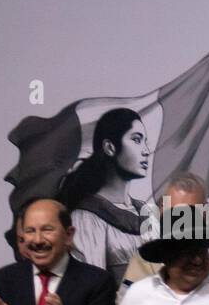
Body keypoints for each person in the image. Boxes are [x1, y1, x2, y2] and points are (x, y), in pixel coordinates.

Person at [118, 172, 209, 300]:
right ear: (161, 210)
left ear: (205, 213)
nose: (181, 220)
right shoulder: (141, 261)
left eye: (190, 211)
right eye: (174, 211)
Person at [60, 108, 153, 285]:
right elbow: (91, 289)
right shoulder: (86, 218)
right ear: (110, 147)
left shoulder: (146, 212)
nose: (146, 151)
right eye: (136, 140)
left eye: (145, 142)